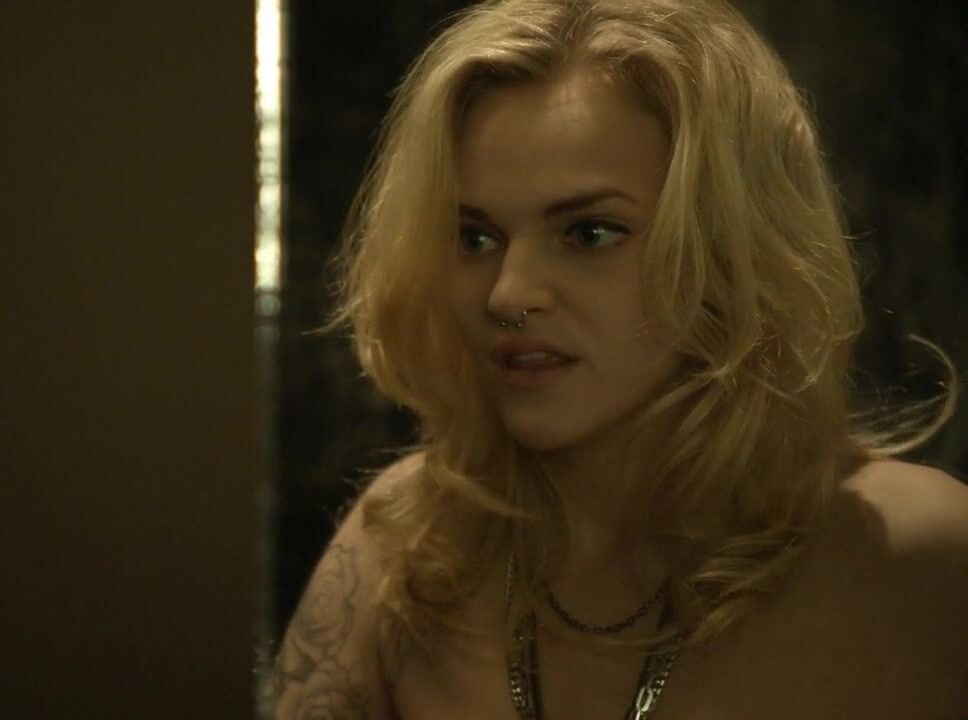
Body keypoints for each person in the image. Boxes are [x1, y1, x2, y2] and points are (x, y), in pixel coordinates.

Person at [265, 1, 968, 718]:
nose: (508, 294)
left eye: (589, 234)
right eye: (475, 238)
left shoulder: (917, 556)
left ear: (731, 249)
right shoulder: (408, 545)